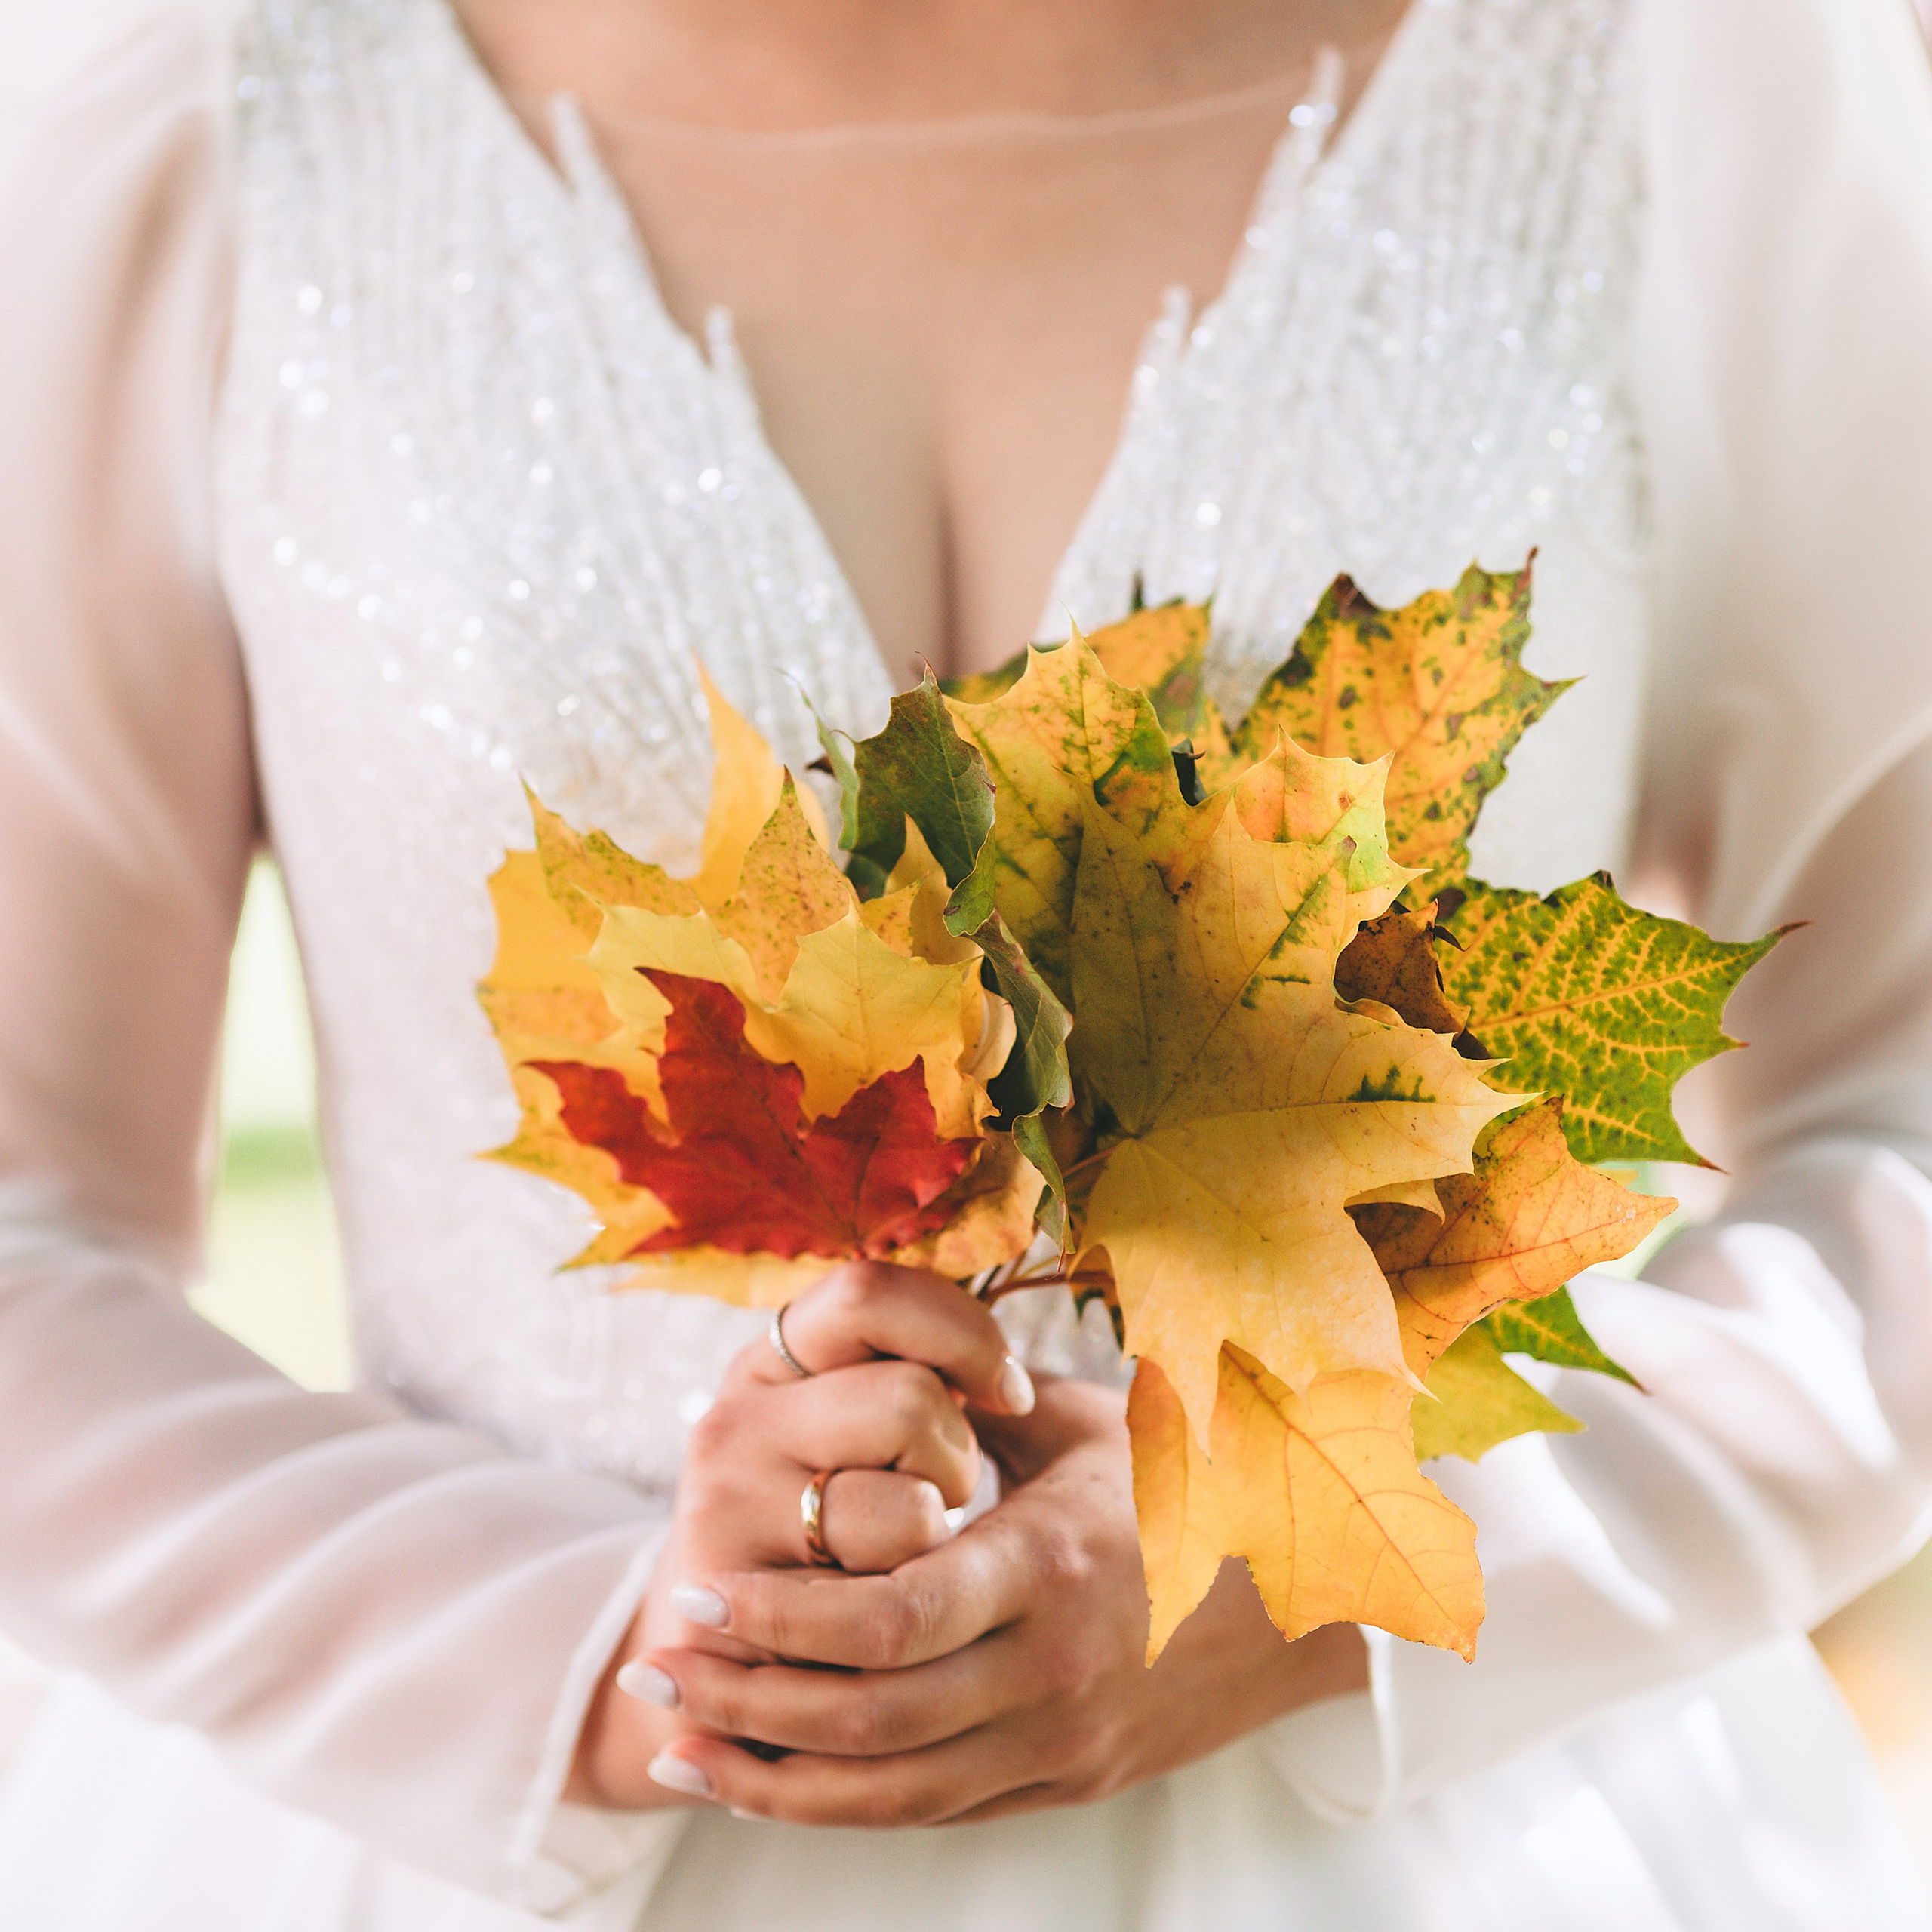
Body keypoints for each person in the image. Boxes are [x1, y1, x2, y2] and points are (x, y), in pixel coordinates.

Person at [2, 0, 1932, 1926]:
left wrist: (1308, 1572)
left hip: (1472, 1853)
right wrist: (599, 1647)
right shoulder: (204, 108)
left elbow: (1900, 1113)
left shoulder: (1691, 81)